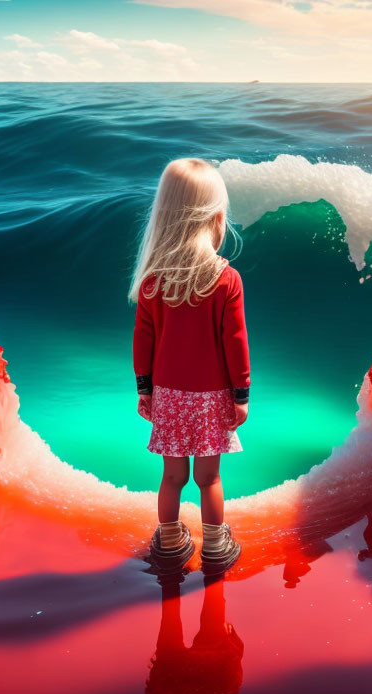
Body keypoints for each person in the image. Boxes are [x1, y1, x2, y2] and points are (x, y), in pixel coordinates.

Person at [128, 157, 250, 575]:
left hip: (168, 395)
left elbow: (143, 340)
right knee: (209, 478)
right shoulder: (225, 278)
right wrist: (241, 395)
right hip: (213, 396)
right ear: (216, 217)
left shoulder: (152, 281)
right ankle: (216, 547)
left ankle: (169, 541)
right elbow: (234, 342)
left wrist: (144, 389)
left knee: (172, 477)